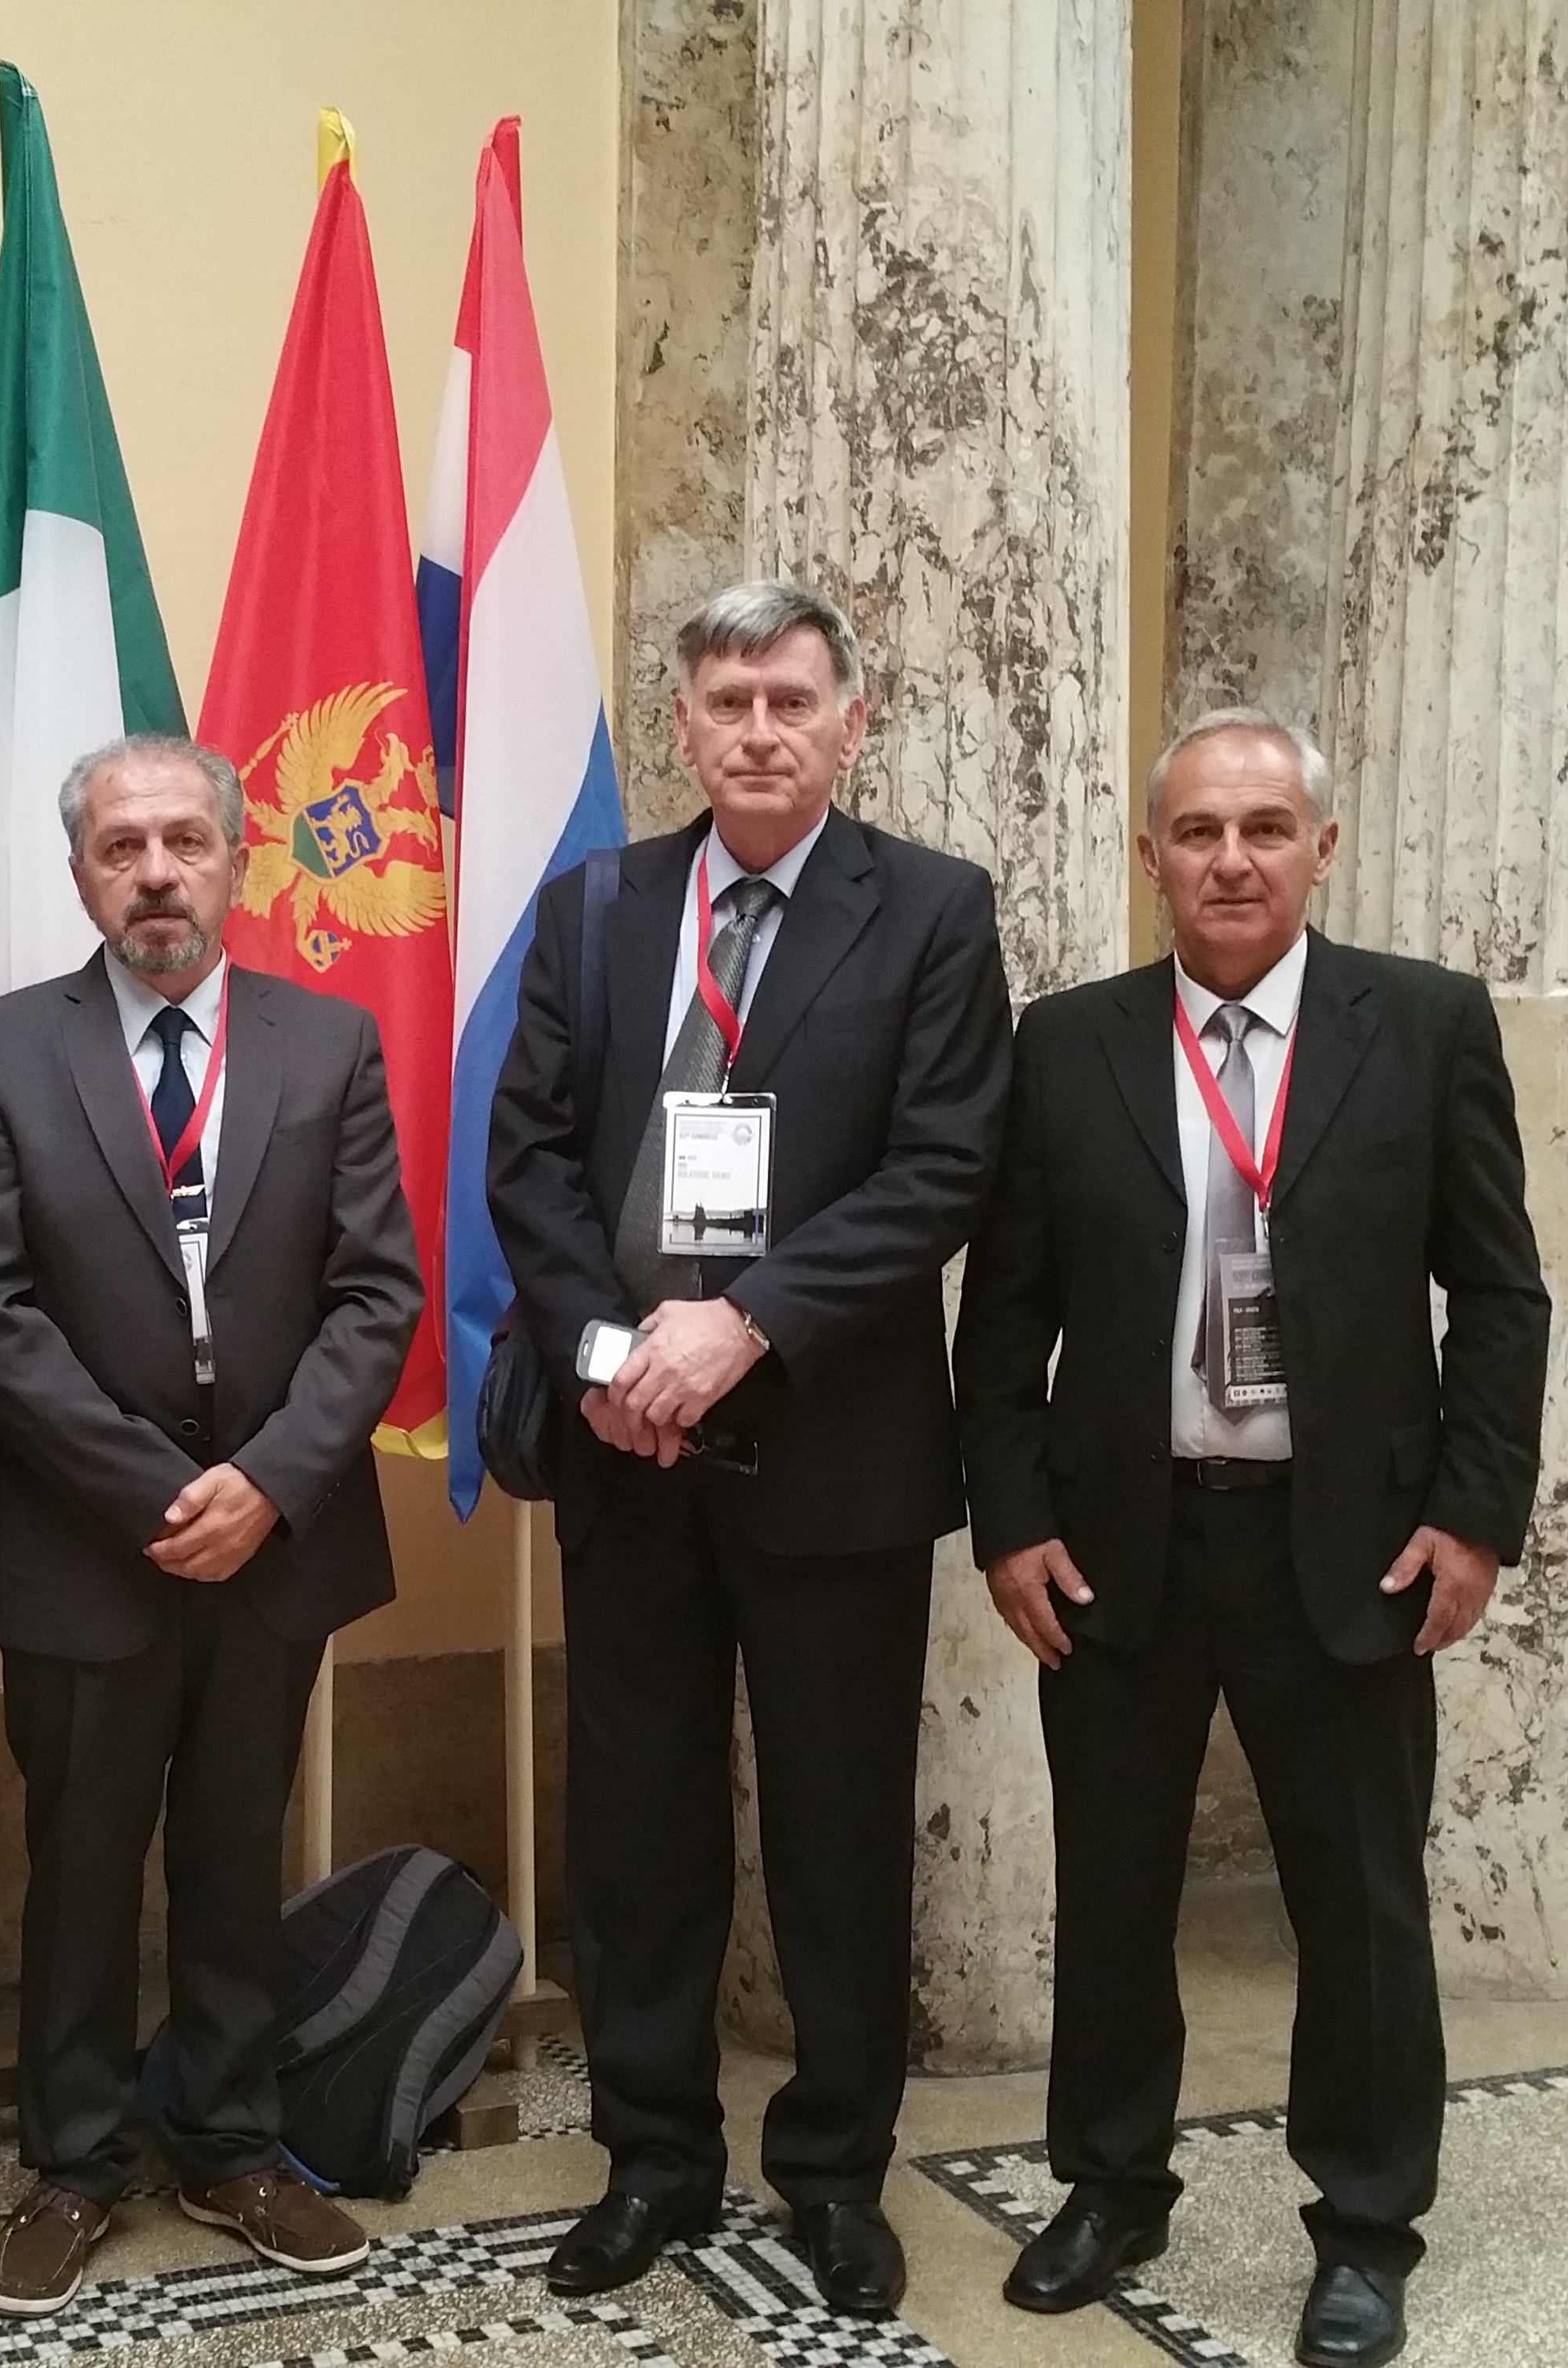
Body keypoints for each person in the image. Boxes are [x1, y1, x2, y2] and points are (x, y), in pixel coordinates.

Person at [952, 707, 1548, 2368]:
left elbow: (1500, 1294)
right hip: (1120, 1542)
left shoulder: (1421, 1027)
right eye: (1199, 831)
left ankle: (1365, 2224)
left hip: (1347, 1548)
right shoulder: (1066, 1045)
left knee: (1358, 1905)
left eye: (1266, 828)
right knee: (1112, 1886)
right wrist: (1012, 1520)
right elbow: (1000, 1318)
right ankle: (1110, 2183)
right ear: (1150, 855)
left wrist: (1473, 1518)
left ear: (1320, 849)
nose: (1232, 860)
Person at [484, 581, 1011, 2320]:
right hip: (627, 1446)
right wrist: (610, 1349)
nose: (760, 731)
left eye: (792, 700)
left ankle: (838, 2175)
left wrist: (748, 1323)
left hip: (832, 1456)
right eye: (728, 702)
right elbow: (527, 1154)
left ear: (852, 723)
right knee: (637, 1824)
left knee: (838, 1829)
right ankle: (652, 2157)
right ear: (684, 729)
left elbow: (942, 1167)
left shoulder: (932, 910)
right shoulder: (595, 908)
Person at [0, 733, 425, 2316]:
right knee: (79, 1861)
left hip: (274, 1538)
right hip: (91, 1542)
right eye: (121, 847)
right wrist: (155, 1492)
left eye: (184, 842)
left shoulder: (327, 1042)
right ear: (82, 873)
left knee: (233, 1849)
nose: (156, 873)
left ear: (235, 859)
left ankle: (229, 2143)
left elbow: (377, 1293)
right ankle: (73, 2162)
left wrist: (266, 1483)